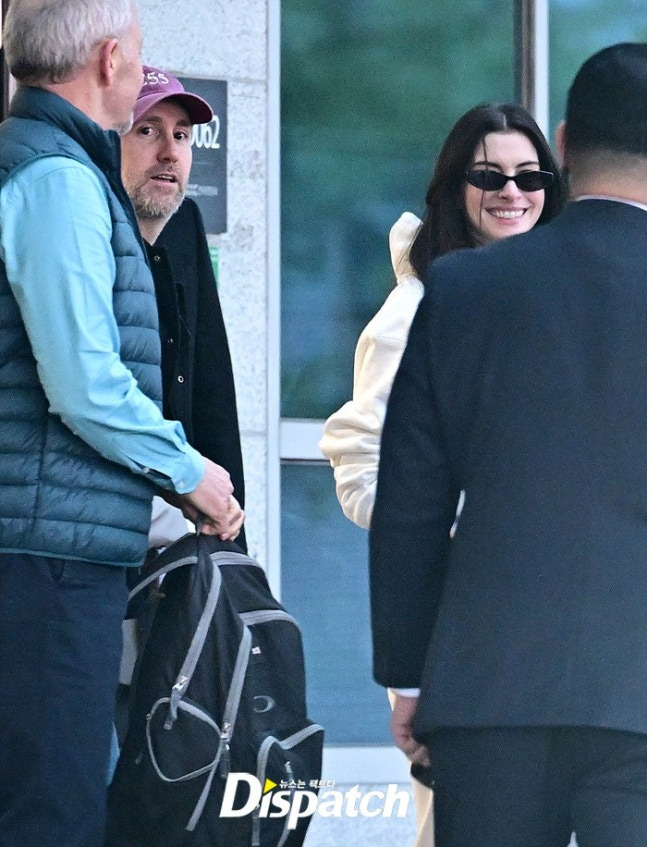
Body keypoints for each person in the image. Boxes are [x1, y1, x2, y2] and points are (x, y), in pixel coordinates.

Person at [369, 42, 647, 847]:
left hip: (489, 689)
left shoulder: (463, 287)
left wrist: (408, 672)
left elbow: (410, 501)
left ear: (561, 146)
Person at [0, 2, 242, 846]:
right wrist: (189, 471)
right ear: (109, 60)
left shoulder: (49, 165)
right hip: (46, 563)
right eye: (137, 56)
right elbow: (84, 383)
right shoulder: (57, 178)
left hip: (44, 548)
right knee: (53, 814)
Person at [319, 103, 564, 845]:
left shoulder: (559, 304)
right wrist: (457, 526)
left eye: (529, 176)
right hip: (459, 636)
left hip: (561, 636)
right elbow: (359, 459)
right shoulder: (415, 309)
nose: (511, 192)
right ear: (454, 188)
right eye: (488, 176)